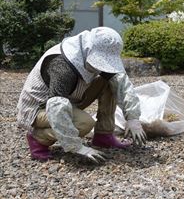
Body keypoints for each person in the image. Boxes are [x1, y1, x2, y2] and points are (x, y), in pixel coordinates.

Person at [17, 27, 147, 162]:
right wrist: (76, 147)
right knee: (84, 123)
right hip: (39, 108)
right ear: (88, 50)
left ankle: (104, 136)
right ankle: (39, 139)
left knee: (111, 82)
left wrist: (133, 118)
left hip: (71, 98)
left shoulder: (88, 49)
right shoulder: (62, 65)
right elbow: (56, 106)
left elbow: (121, 82)